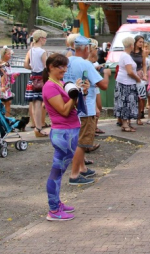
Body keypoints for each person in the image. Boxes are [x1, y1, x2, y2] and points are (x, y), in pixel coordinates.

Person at [42, 53, 81, 221]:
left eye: (65, 66)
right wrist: (74, 96)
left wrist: (79, 93)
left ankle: (57, 203)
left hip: (69, 131)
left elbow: (74, 106)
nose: (64, 70)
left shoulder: (60, 83)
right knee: (56, 173)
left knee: (59, 172)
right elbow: (64, 110)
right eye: (60, 66)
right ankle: (53, 210)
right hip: (63, 132)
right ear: (51, 67)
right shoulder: (50, 86)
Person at [65, 36, 106, 183]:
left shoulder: (67, 61)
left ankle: (82, 168)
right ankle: (74, 175)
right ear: (86, 49)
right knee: (83, 142)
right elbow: (103, 85)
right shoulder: (86, 64)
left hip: (72, 105)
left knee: (78, 139)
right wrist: (105, 74)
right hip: (86, 106)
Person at [114, 36, 140, 135]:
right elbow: (129, 71)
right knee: (126, 102)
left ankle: (127, 123)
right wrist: (137, 78)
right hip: (125, 83)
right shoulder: (126, 56)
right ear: (131, 45)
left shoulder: (125, 55)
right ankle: (125, 123)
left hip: (127, 82)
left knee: (128, 102)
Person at [24, 30, 48, 136]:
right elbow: (46, 67)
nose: (45, 40)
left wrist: (32, 67)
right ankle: (38, 128)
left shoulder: (31, 51)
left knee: (34, 104)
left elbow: (26, 65)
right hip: (40, 77)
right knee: (38, 103)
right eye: (44, 38)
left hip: (32, 76)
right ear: (41, 38)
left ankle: (36, 126)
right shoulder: (42, 52)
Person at [131, 35, 148, 126]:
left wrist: (144, 74)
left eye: (142, 42)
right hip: (131, 75)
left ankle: (138, 117)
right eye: (139, 42)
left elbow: (144, 64)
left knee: (140, 97)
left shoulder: (142, 53)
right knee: (131, 96)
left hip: (139, 74)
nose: (141, 43)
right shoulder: (130, 52)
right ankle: (129, 118)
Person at [0, 47, 15, 116]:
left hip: (7, 85)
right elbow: (2, 75)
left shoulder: (7, 63)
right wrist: (2, 85)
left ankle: (7, 118)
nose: (10, 56)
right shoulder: (1, 64)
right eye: (8, 54)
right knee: (3, 102)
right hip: (3, 85)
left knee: (8, 102)